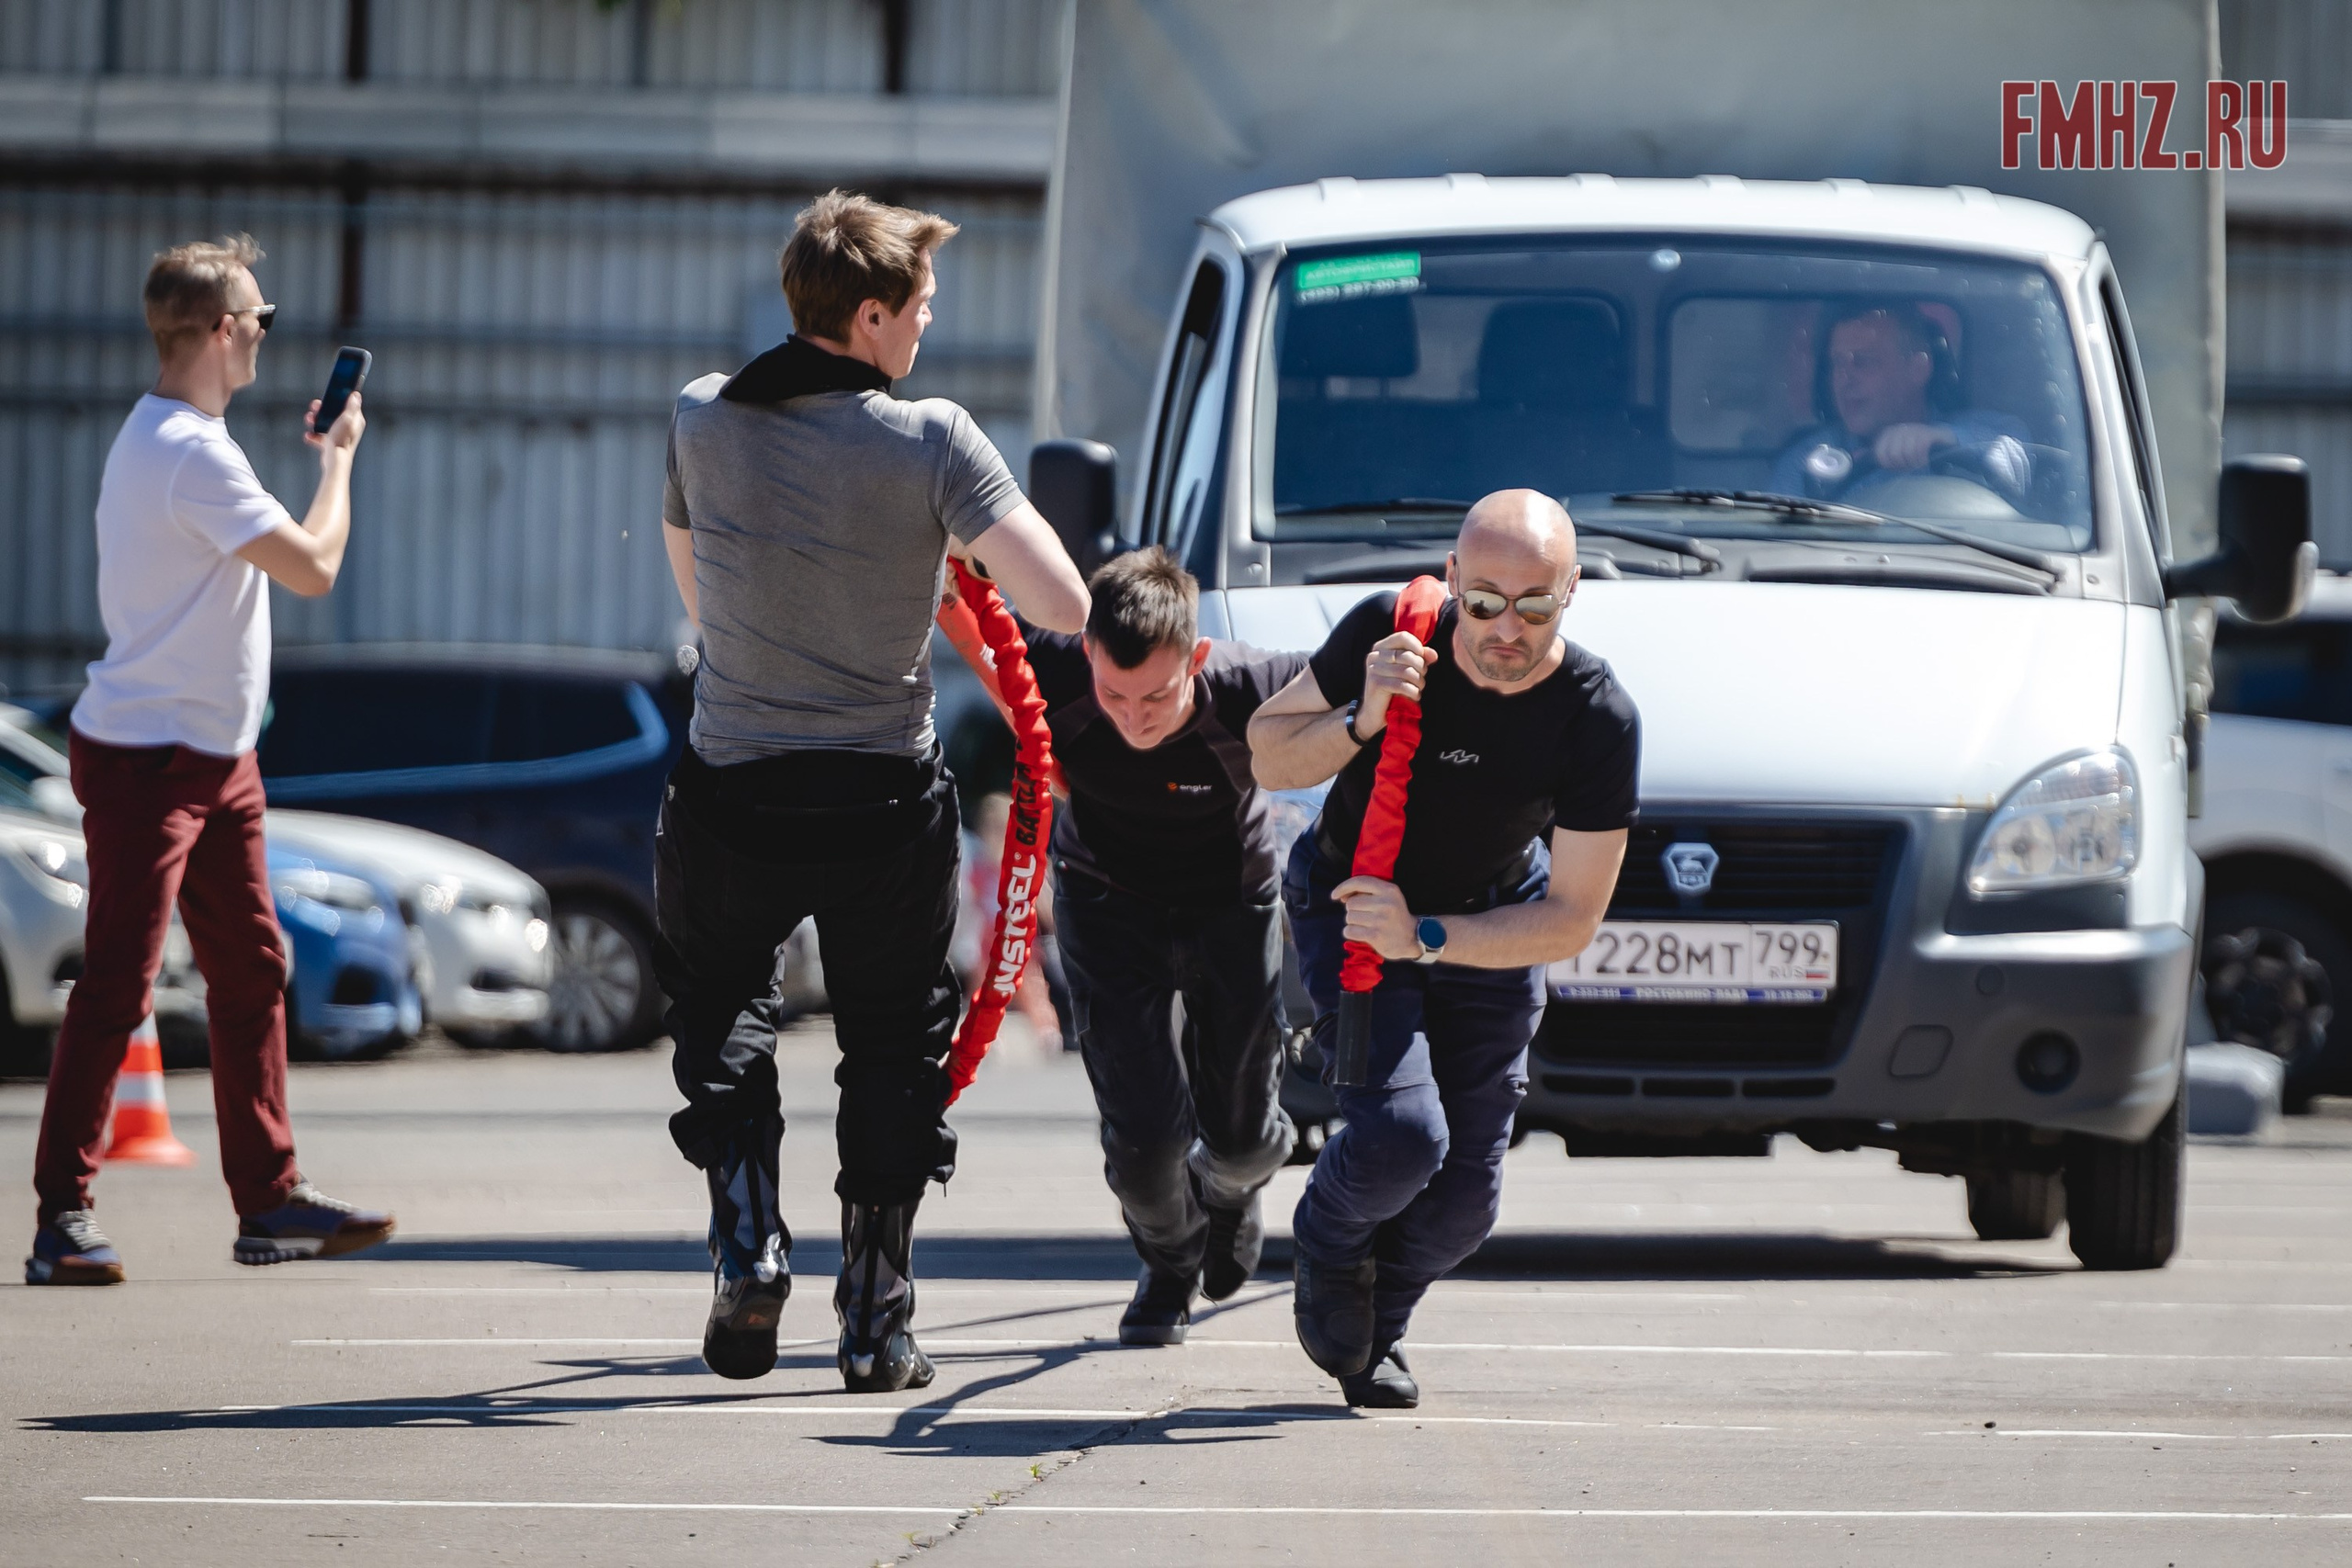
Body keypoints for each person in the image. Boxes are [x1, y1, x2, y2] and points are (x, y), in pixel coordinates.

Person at [658, 190, 1088, 1388]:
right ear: (867, 315)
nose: (926, 333)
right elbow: (1063, 604)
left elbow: (701, 591)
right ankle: (875, 1313)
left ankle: (748, 1249)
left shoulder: (700, 416)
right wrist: (935, 546)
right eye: (919, 310)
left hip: (732, 786)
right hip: (879, 800)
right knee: (892, 1046)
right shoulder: (932, 439)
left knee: (725, 1016)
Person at [27, 234, 393, 1286]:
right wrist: (340, 459)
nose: (268, 337)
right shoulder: (189, 450)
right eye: (263, 320)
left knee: (253, 971)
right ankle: (63, 1217)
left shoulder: (168, 439)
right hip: (151, 758)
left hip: (213, 755)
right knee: (118, 983)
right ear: (226, 330)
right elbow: (315, 568)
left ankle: (269, 1201)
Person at [1248, 490, 1638, 1408]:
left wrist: (1426, 937)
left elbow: (1574, 917)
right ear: (1453, 579)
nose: (1507, 626)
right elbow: (1267, 755)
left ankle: (1378, 1324)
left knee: (1466, 1205)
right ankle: (1329, 1239)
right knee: (1400, 1140)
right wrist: (1360, 718)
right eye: (1486, 599)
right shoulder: (1388, 632)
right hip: (1351, 903)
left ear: (1571, 592)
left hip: (1479, 923)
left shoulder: (1594, 714)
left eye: (1535, 603)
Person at [1001, 547, 1307, 1346]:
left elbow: (1361, 682)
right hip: (1108, 900)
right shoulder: (1055, 668)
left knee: (1239, 1133)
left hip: (1228, 901)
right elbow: (964, 603)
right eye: (1114, 691)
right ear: (1089, 654)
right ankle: (1170, 1263)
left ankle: (1233, 1188)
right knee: (1144, 1140)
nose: (1133, 715)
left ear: (1195, 660)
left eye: (1157, 695)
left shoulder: (1252, 684)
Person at [1768, 302, 2030, 502]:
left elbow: (2017, 452)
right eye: (1838, 363)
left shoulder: (1973, 431)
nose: (1844, 380)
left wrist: (1944, 440)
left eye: (1863, 361)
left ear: (1918, 369)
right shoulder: (1807, 461)